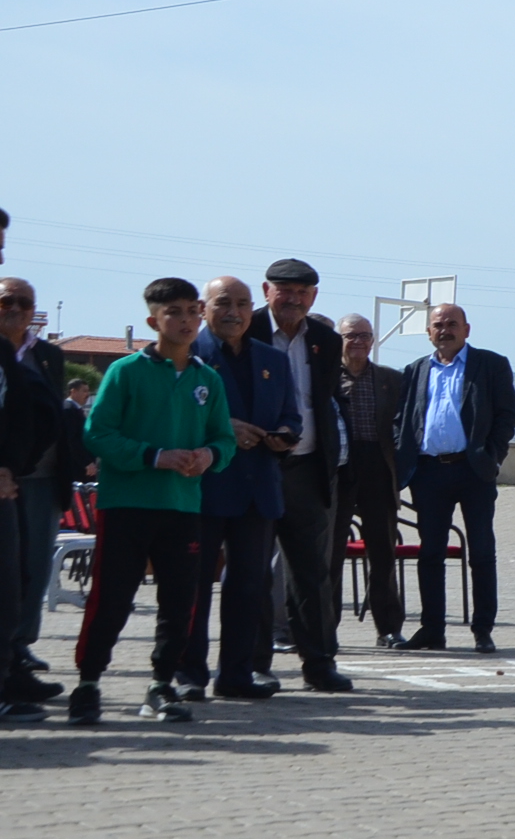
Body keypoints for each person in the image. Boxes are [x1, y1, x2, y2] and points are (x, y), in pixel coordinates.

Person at [68, 278, 235, 726]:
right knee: (111, 598)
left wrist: (209, 455)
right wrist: (154, 456)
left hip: (183, 508)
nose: (186, 320)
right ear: (152, 320)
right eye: (174, 312)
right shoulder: (125, 372)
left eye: (192, 311)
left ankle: (161, 685)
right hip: (127, 505)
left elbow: (224, 438)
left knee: (180, 601)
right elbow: (97, 434)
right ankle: (88, 684)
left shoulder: (208, 379)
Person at [180, 278, 298, 702]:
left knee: (249, 588)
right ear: (204, 307)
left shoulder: (273, 359)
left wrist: (285, 435)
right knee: (193, 588)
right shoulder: (187, 356)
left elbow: (292, 416)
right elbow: (171, 418)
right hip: (202, 490)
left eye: (243, 304)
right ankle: (189, 675)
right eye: (224, 303)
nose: (234, 312)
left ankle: (237, 673)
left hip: (257, 491)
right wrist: (223, 428)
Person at [393, 302, 515, 655]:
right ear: (428, 332)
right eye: (438, 325)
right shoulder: (416, 370)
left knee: (481, 551)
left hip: (473, 470)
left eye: (452, 324)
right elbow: (402, 418)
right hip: (428, 472)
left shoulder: (490, 364)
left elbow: (507, 415)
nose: (444, 330)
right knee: (430, 553)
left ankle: (482, 630)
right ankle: (432, 630)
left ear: (467, 329)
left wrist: (492, 456)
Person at [249, 260, 350, 693]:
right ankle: (254, 663)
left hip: (309, 469)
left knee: (312, 572)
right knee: (253, 570)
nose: (293, 299)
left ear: (314, 297)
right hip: (255, 467)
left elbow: (324, 402)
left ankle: (319, 662)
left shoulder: (326, 340)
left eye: (302, 292)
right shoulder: (246, 329)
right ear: (266, 291)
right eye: (285, 291)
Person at [1, 278, 69, 688]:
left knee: (35, 566)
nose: (16, 308)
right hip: (5, 478)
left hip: (42, 478)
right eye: (6, 300)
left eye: (24, 302)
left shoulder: (48, 355)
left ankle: (21, 645)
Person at [330, 314, 408, 649]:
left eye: (364, 335)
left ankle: (388, 628)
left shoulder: (391, 379)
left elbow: (406, 425)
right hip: (339, 469)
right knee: (331, 553)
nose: (358, 341)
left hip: (378, 466)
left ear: (373, 340)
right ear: (339, 340)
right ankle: (325, 628)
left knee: (382, 551)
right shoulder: (327, 377)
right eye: (351, 335)